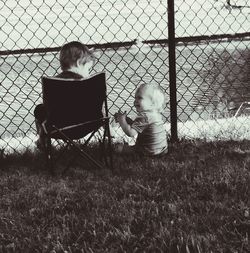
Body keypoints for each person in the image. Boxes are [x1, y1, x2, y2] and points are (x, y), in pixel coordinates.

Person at [34, 41, 95, 149]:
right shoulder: (89, 84)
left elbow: (49, 109)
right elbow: (99, 108)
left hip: (58, 128)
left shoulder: (52, 83)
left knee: (39, 109)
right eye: (88, 68)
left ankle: (42, 140)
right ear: (78, 63)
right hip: (88, 124)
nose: (88, 73)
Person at [114, 83, 168, 156]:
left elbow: (131, 133)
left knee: (118, 147)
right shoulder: (156, 114)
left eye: (139, 98)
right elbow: (140, 126)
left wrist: (122, 121)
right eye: (135, 98)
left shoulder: (144, 116)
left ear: (152, 103)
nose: (135, 101)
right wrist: (127, 120)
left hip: (148, 151)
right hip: (162, 150)